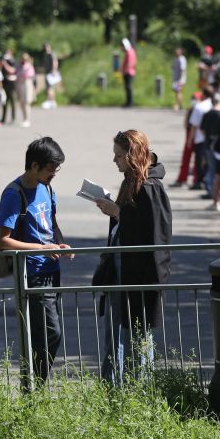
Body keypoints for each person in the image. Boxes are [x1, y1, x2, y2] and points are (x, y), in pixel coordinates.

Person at [93, 130, 172, 384]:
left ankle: (138, 391)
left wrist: (117, 212)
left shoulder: (150, 186)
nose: (114, 160)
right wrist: (116, 212)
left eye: (118, 155)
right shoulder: (132, 181)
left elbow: (155, 235)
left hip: (139, 276)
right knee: (117, 334)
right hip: (121, 270)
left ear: (132, 154)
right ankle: (115, 389)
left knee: (137, 337)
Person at [0, 137, 71, 384]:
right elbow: (1, 241)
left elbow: (51, 225)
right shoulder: (14, 194)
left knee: (46, 335)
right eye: (50, 170)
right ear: (34, 166)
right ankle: (34, 389)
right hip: (32, 275)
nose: (54, 175)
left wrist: (61, 244)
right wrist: (41, 248)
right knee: (49, 334)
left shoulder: (47, 188)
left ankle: (35, 389)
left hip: (52, 271)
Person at [17, 52, 36, 128]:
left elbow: (30, 75)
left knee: (27, 102)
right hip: (20, 84)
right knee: (22, 103)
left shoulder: (29, 66)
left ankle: (27, 119)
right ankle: (24, 119)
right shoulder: (20, 66)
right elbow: (17, 74)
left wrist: (23, 74)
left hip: (27, 84)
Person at [0, 48, 18, 124]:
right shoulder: (3, 61)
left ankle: (13, 118)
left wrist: (5, 64)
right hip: (4, 82)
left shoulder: (13, 61)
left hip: (11, 83)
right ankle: (3, 118)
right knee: (4, 101)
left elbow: (12, 71)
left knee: (12, 100)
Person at [41, 43, 59, 110]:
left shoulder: (52, 53)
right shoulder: (45, 54)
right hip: (47, 72)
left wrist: (54, 70)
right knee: (48, 87)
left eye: (47, 47)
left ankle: (51, 101)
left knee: (50, 87)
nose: (46, 48)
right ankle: (51, 101)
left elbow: (55, 62)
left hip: (51, 73)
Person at [121, 38, 137, 108]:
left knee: (128, 87)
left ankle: (130, 103)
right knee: (127, 88)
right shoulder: (130, 51)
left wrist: (125, 70)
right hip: (128, 72)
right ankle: (128, 102)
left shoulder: (129, 52)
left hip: (128, 72)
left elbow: (130, 63)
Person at [171, 47, 187, 111]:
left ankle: (177, 105)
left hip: (180, 79)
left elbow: (182, 69)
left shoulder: (182, 59)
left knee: (179, 92)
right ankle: (179, 104)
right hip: (176, 78)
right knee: (177, 92)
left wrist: (180, 80)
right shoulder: (176, 59)